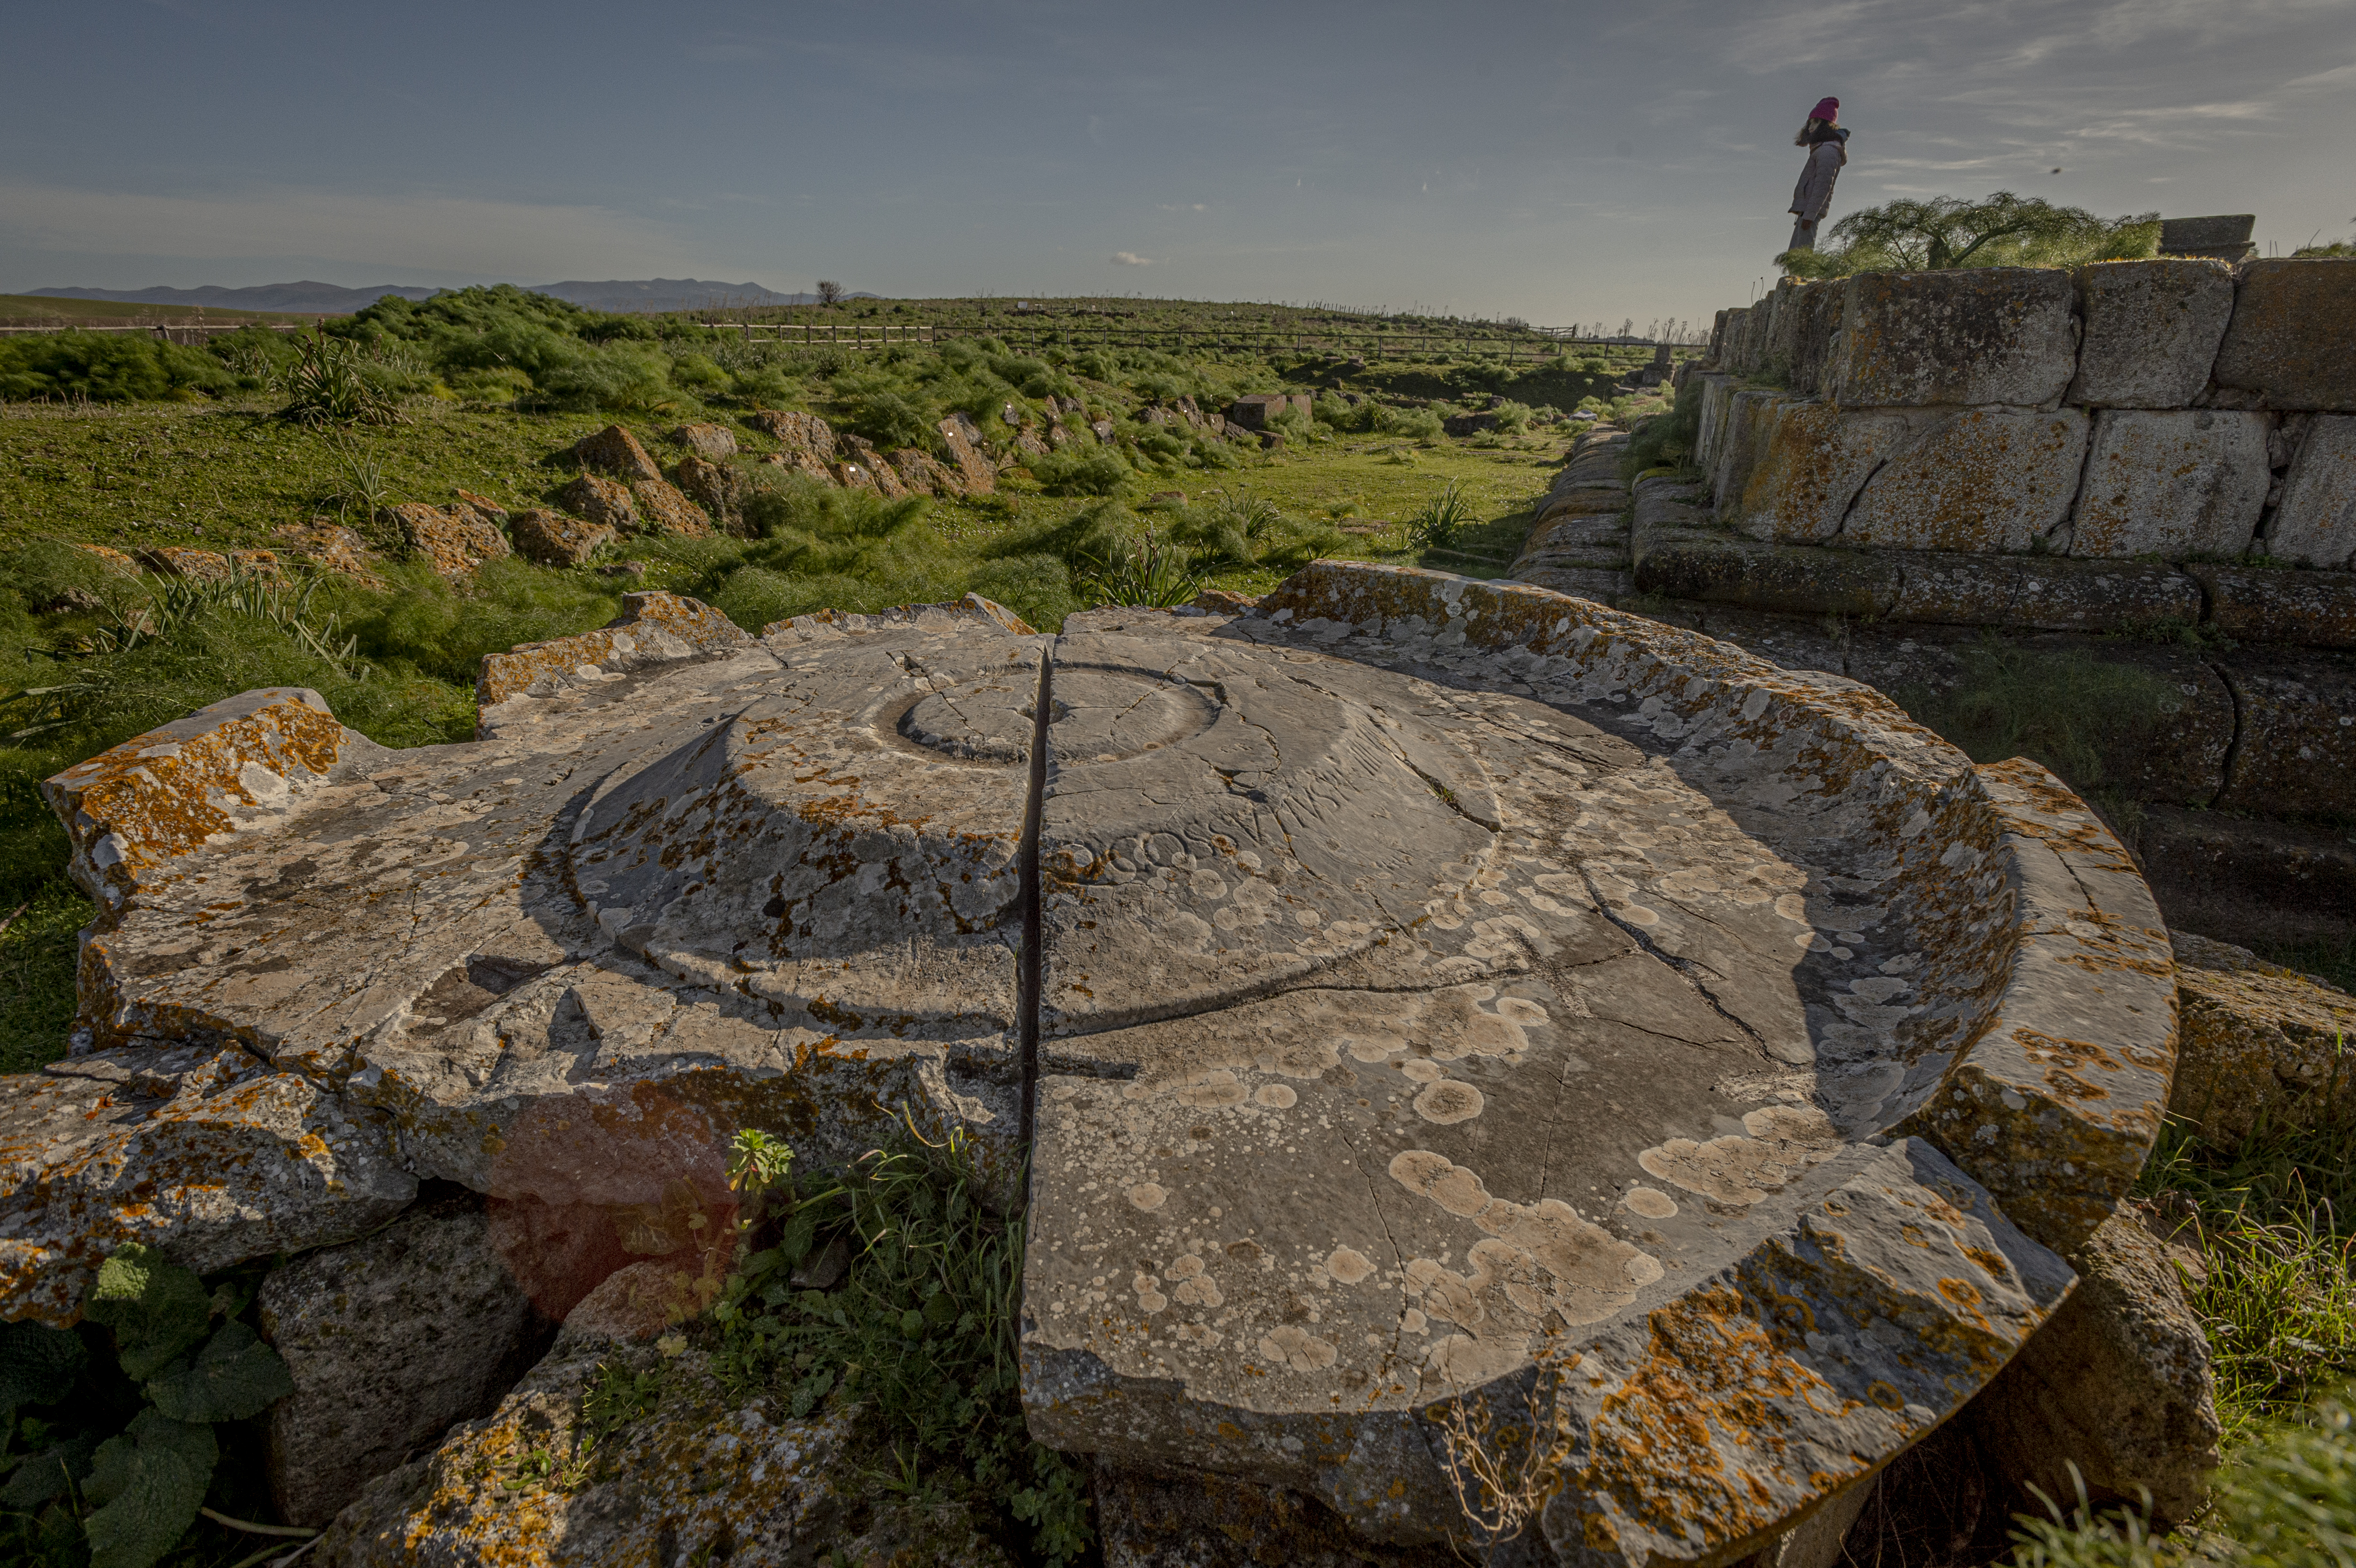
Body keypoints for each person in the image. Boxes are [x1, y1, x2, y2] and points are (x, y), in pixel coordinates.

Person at [1787, 97, 1849, 254]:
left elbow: (1823, 187)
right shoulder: (1821, 148)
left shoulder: (1828, 151)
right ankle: (1796, 279)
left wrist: (1810, 215)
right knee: (1795, 255)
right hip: (1807, 210)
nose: (1811, 126)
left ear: (1825, 125)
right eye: (1811, 122)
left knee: (1802, 256)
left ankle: (1801, 279)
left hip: (1810, 211)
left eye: (1816, 122)